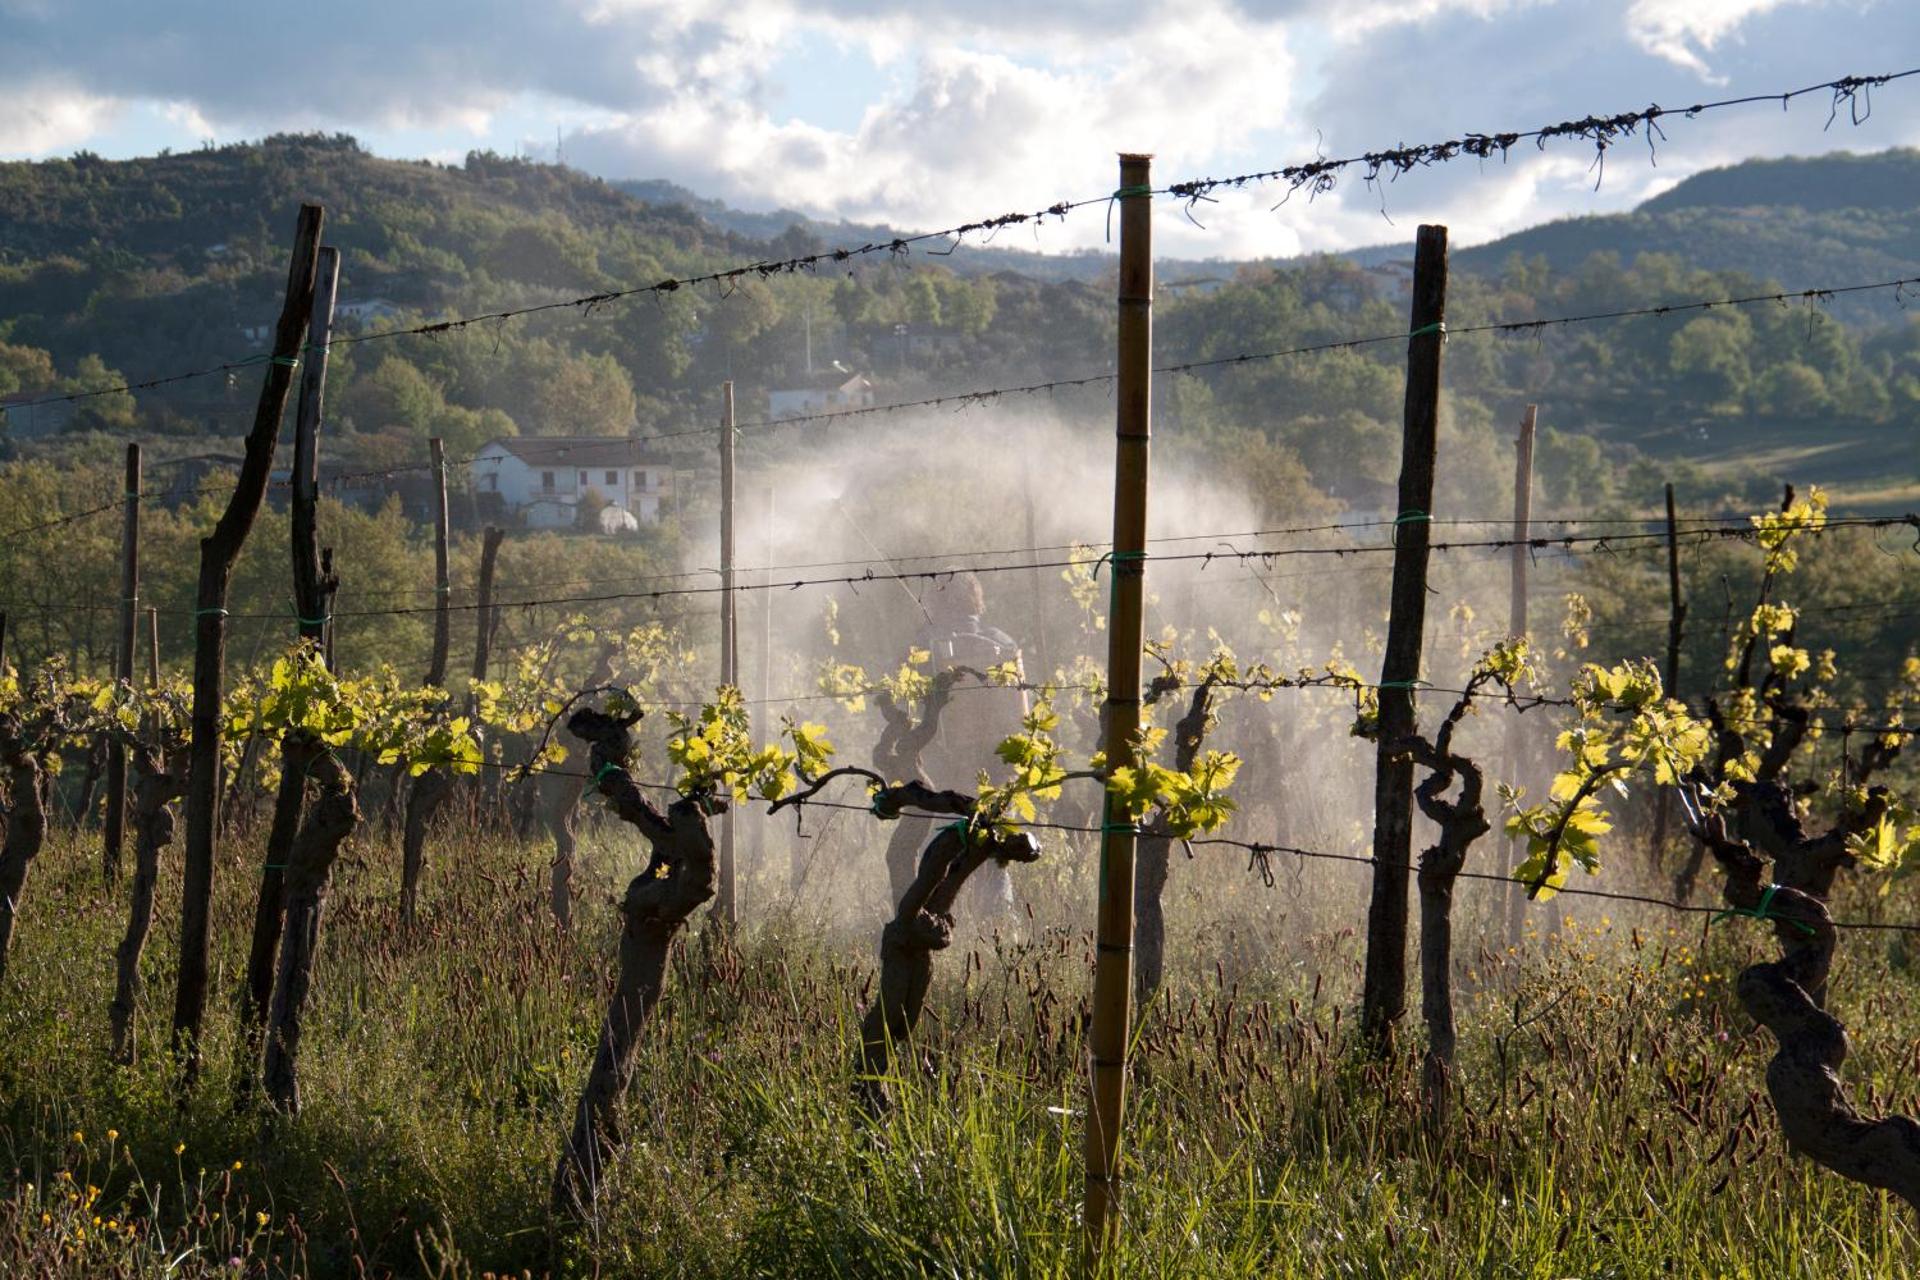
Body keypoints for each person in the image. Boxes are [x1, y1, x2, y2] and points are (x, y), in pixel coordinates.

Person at [908, 572, 1029, 924]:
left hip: (945, 761)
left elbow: (910, 706)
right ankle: (1000, 926)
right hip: (997, 761)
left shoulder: (926, 644)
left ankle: (934, 918)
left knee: (942, 843)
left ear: (937, 602)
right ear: (977, 601)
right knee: (993, 846)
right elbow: (1022, 715)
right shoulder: (1004, 644)